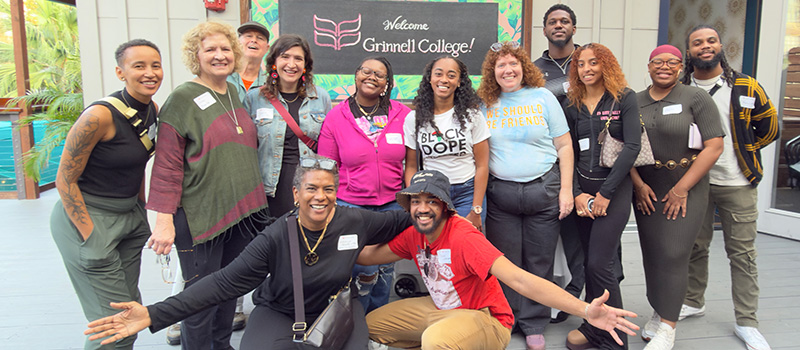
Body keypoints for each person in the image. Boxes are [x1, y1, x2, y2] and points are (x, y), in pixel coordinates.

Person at [83, 155, 415, 350]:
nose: (321, 197)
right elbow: (222, 283)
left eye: (328, 189)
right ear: (295, 193)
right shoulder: (275, 236)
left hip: (338, 308)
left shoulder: (354, 221)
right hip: (282, 311)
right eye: (311, 188)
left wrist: (437, 207)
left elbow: (407, 218)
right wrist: (154, 314)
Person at [358, 170, 639, 349]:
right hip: (442, 310)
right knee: (369, 325)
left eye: (431, 201)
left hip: (486, 318)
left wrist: (585, 310)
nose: (422, 209)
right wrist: (333, 235)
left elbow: (521, 280)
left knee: (436, 340)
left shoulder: (463, 236)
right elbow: (369, 256)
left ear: (444, 206)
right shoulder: (414, 235)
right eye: (416, 201)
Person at [145, 21, 270, 350]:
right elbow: (167, 164)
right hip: (200, 215)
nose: (219, 55)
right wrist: (164, 220)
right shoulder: (182, 98)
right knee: (200, 297)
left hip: (240, 215)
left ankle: (221, 345)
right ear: (195, 56)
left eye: (226, 49)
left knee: (229, 289)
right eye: (210, 49)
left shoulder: (234, 93)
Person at [49, 39, 162, 350]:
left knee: (131, 313)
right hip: (89, 217)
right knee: (114, 327)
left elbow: (138, 164)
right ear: (120, 72)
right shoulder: (99, 116)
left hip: (128, 217)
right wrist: (91, 235)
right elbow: (65, 180)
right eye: (139, 66)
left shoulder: (152, 110)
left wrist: (141, 211)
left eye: (155, 65)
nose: (149, 73)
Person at [680, 25, 778, 350]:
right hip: (697, 182)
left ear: (721, 46)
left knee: (743, 254)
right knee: (695, 246)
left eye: (711, 41)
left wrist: (745, 150)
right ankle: (693, 301)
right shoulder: (681, 88)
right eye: (698, 43)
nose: (705, 46)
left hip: (737, 182)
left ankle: (747, 322)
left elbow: (770, 128)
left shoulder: (745, 86)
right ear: (689, 51)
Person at [476, 41, 575, 350]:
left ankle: (534, 323)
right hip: (501, 195)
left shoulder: (543, 97)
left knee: (539, 261)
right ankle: (507, 318)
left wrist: (567, 191)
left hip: (543, 191)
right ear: (492, 72)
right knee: (505, 262)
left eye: (513, 64)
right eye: (501, 65)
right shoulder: (485, 103)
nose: (508, 70)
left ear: (523, 67)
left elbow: (564, 146)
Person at [632, 44, 724, 350]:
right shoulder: (634, 100)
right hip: (647, 189)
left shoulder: (695, 97)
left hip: (686, 187)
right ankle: (660, 310)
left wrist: (681, 189)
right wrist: (638, 185)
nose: (665, 67)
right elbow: (623, 146)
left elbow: (714, 146)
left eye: (672, 62)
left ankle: (668, 327)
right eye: (658, 61)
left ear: (681, 67)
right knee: (653, 254)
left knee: (673, 254)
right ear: (649, 66)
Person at [561, 43, 640, 350]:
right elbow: (567, 151)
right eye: (581, 64)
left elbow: (632, 147)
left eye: (593, 62)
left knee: (599, 264)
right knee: (589, 264)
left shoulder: (624, 98)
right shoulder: (572, 103)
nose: (587, 69)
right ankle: (594, 326)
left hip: (614, 192)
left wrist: (605, 194)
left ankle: (615, 341)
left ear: (605, 64)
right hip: (583, 193)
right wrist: (577, 194)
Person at [318, 56, 411, 313]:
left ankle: (377, 324)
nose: (372, 77)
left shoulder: (403, 114)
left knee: (386, 269)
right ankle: (355, 321)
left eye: (379, 75)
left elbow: (414, 161)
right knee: (361, 269)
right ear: (356, 74)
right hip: (352, 206)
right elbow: (326, 168)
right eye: (366, 71)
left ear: (387, 83)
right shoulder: (336, 117)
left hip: (392, 206)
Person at [533, 3, 584, 324]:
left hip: (590, 159)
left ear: (573, 28)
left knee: (585, 233)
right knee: (559, 230)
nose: (559, 25)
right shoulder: (534, 69)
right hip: (552, 161)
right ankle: (557, 296)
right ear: (545, 30)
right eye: (553, 22)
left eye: (564, 21)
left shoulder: (588, 60)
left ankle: (582, 292)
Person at [245, 34, 333, 218]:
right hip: (269, 188)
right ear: (274, 62)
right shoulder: (254, 98)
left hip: (308, 186)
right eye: (285, 57)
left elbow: (328, 146)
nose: (291, 64)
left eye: (298, 59)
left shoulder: (320, 97)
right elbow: (245, 147)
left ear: (305, 65)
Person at [403, 56, 490, 230]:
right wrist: (415, 199)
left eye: (451, 75)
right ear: (430, 79)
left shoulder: (473, 116)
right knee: (436, 244)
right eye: (438, 74)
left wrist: (476, 208)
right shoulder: (414, 118)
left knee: (465, 243)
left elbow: (482, 165)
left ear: (459, 82)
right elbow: (411, 165)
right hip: (431, 193)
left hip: (467, 192)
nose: (444, 80)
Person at [227, 21, 270, 102]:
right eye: (248, 36)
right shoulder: (222, 77)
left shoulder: (270, 85)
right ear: (237, 43)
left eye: (260, 38)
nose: (254, 40)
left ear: (267, 48)